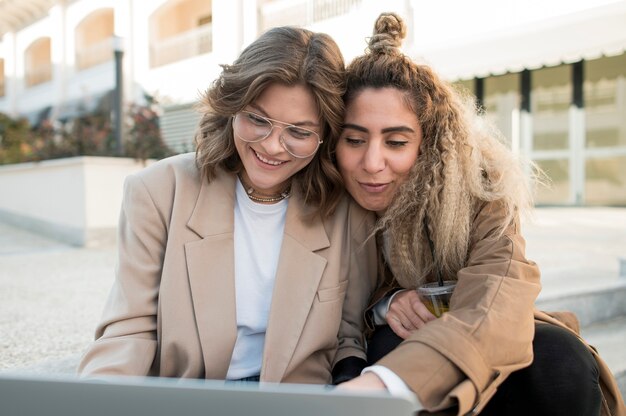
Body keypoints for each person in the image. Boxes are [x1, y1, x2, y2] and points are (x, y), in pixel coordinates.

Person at [334, 12, 625, 416]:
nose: (371, 162)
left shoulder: (481, 185)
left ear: (428, 143)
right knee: (386, 344)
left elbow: (500, 286)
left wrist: (385, 384)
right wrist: (388, 304)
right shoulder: (326, 194)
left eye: (396, 142)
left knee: (561, 359)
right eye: (354, 139)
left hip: (477, 335)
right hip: (387, 347)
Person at [77, 26, 378, 384]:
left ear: (325, 135)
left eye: (298, 132)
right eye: (257, 120)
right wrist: (95, 397)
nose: (272, 146)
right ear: (232, 108)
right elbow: (130, 330)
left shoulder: (347, 208)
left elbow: (349, 335)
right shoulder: (156, 191)